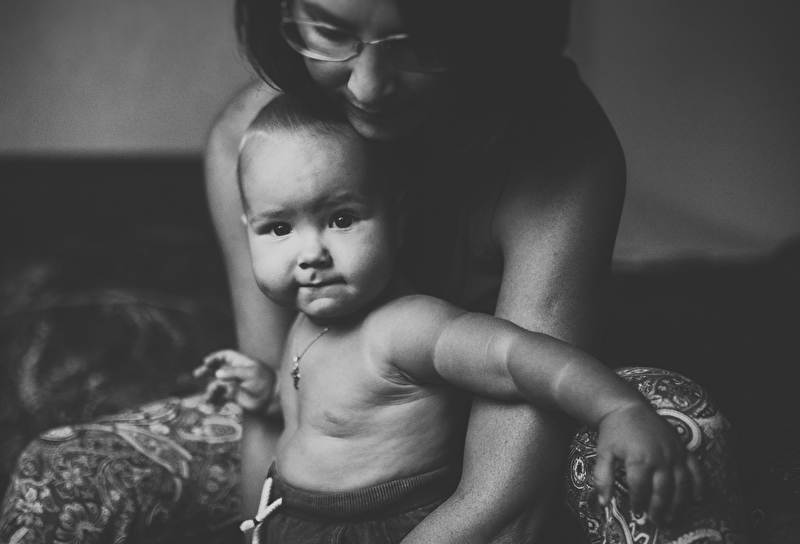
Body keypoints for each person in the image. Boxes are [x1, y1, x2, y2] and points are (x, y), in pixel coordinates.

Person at [0, 0, 746, 542]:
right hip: (332, 448)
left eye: (420, 41)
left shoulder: (560, 153)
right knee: (63, 467)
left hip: (500, 417)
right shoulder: (252, 140)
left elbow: (509, 487)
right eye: (330, 31)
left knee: (678, 430)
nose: (368, 86)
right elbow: (283, 398)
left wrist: (616, 411)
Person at [193, 93, 703, 543]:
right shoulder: (306, 321)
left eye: (342, 219)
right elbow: (329, 411)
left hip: (379, 529)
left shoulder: (409, 327)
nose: (311, 254)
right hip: (294, 522)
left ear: (397, 220)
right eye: (279, 228)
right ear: (247, 228)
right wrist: (268, 392)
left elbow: (517, 359)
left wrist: (617, 408)